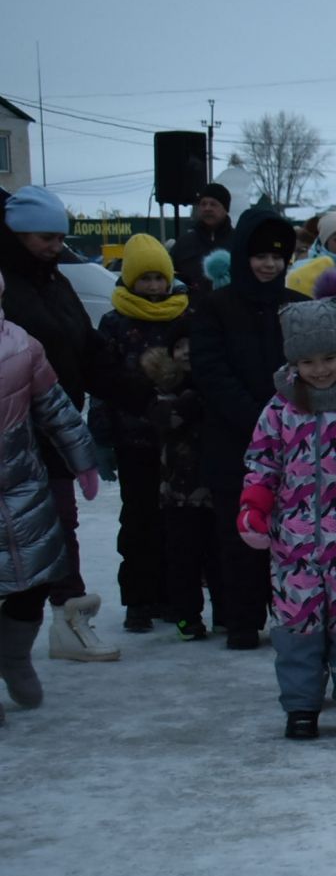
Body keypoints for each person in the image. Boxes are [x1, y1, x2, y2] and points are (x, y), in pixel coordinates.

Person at [235, 299, 336, 738]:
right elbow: (262, 462)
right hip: (294, 542)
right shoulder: (280, 410)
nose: (320, 370)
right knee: (296, 623)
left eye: (329, 359)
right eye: (308, 361)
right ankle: (301, 705)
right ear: (293, 362)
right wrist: (255, 505)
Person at [2, 184, 118, 661]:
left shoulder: (55, 281)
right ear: (16, 235)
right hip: (13, 434)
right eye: (45, 238)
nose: (56, 247)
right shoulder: (8, 286)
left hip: (54, 422)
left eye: (59, 238)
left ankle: (69, 620)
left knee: (59, 524)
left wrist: (136, 389)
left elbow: (84, 348)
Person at [192, 205, 301, 651]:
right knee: (238, 533)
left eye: (277, 255)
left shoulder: (298, 306)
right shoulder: (215, 307)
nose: (269, 264)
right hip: (233, 441)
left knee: (292, 533)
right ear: (242, 257)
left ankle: (293, 614)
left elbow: (317, 368)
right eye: (259, 255)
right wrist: (260, 419)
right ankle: (241, 619)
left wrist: (290, 420)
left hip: (297, 443)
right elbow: (211, 372)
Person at [0, 270, 100, 724]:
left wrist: (82, 459)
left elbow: (55, 408)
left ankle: (14, 655)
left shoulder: (20, 345)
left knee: (36, 578)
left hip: (22, 484)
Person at [90, 233, 190, 632]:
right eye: (144, 278)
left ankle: (171, 594)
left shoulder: (184, 316)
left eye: (158, 278)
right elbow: (101, 381)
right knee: (138, 522)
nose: (152, 286)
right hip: (133, 439)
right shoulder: (114, 322)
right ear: (130, 280)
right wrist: (101, 437)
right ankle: (138, 598)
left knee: (176, 522)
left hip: (179, 441)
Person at [139, 335, 220, 638]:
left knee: (219, 555)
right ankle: (188, 617)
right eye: (179, 345)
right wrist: (195, 396)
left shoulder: (219, 378)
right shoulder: (164, 387)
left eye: (192, 343)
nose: (187, 351)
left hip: (216, 483)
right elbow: (165, 419)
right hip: (177, 489)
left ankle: (225, 614)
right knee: (183, 557)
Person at [171, 183, 233, 292]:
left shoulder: (239, 241)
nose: (207, 208)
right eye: (203, 204)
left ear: (225, 209)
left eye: (213, 204)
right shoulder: (183, 243)